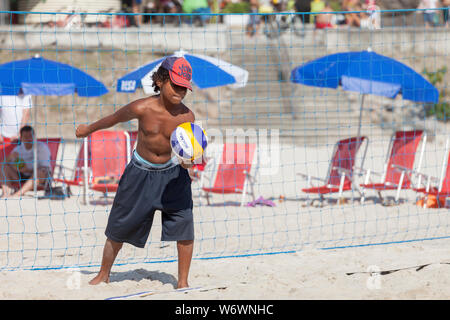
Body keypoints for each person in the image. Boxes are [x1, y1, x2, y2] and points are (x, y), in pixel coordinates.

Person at [76, 56, 196, 289]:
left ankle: (182, 282)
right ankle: (103, 274)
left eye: (185, 87)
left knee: (185, 225)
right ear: (161, 80)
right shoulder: (142, 107)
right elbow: (112, 119)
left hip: (173, 175)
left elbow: (190, 152)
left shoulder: (187, 116)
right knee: (118, 227)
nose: (180, 91)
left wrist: (189, 162)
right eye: (176, 84)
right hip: (139, 173)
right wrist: (87, 129)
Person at [0, 125, 51, 197]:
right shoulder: (18, 149)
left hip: (38, 177)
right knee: (3, 166)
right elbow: (4, 163)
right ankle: (6, 192)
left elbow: (45, 168)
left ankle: (17, 194)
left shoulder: (41, 147)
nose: (29, 139)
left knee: (41, 171)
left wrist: (26, 169)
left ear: (34, 136)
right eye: (26, 137)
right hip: (21, 176)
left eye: (30, 136)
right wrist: (11, 158)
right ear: (21, 138)